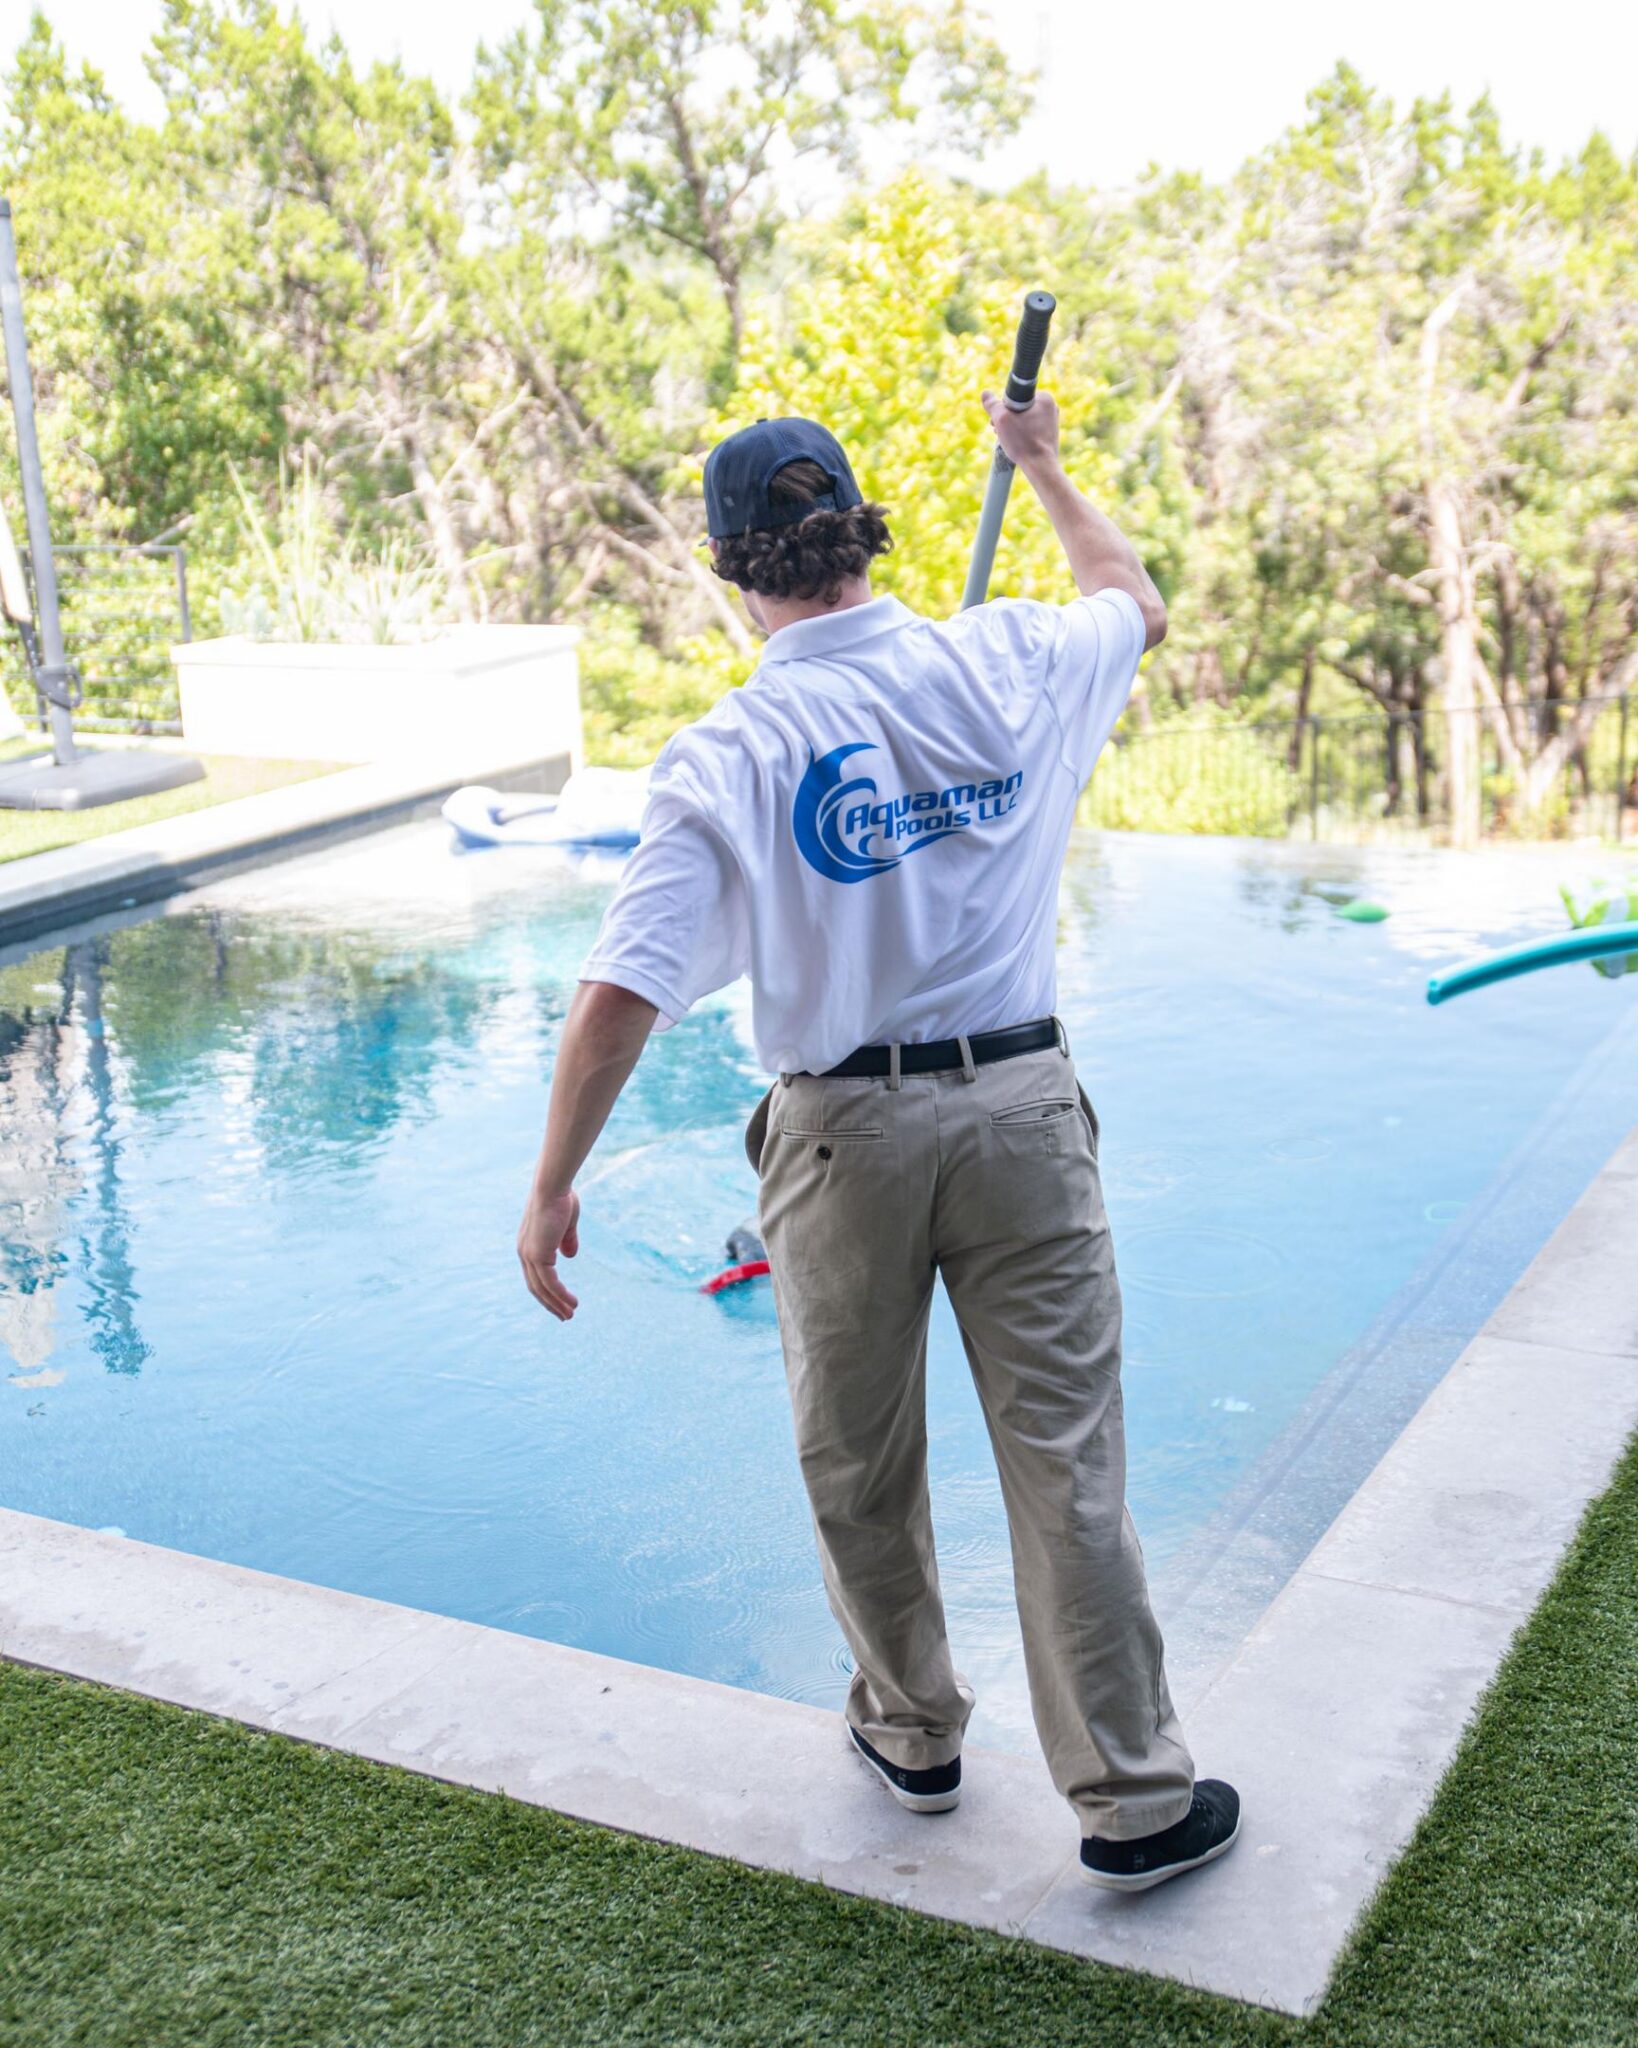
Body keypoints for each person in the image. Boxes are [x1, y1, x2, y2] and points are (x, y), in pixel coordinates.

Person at [517, 390, 1241, 1893]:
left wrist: (549, 1187)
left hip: (837, 1133)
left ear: (731, 569)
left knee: (857, 1457)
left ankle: (912, 1737)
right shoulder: (1018, 655)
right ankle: (1133, 1799)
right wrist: (1040, 468)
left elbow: (615, 1003)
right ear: (856, 531)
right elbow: (1135, 600)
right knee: (1067, 1463)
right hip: (1024, 1111)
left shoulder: (732, 746)